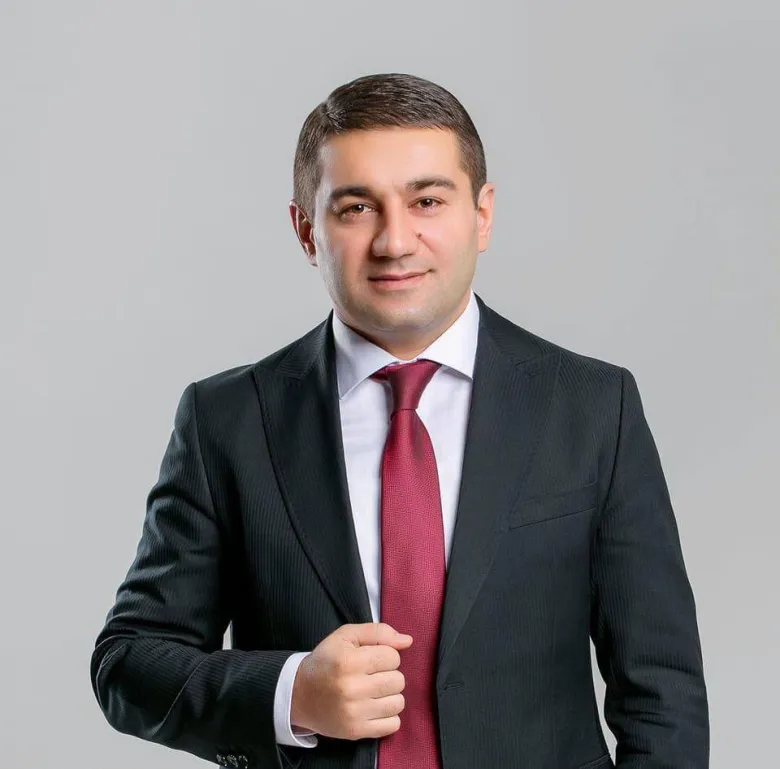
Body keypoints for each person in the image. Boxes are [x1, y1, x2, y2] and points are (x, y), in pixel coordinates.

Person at [90, 73, 709, 769]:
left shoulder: (593, 407)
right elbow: (128, 662)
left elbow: (662, 693)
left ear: (482, 215)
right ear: (306, 230)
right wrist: (292, 692)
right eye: (356, 208)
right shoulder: (227, 421)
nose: (394, 240)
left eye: (427, 201)